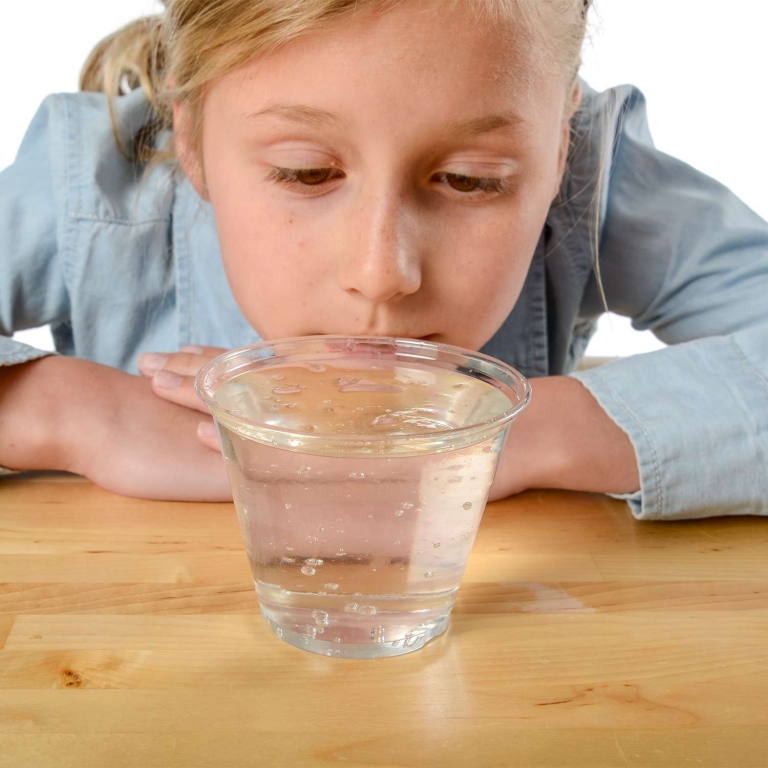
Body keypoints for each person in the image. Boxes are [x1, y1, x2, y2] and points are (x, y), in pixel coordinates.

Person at [0, 0, 766, 519]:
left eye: (471, 181)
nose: (383, 273)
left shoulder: (591, 181)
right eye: (306, 173)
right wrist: (71, 413)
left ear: (561, 142)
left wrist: (505, 438)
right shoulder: (94, 183)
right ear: (190, 134)